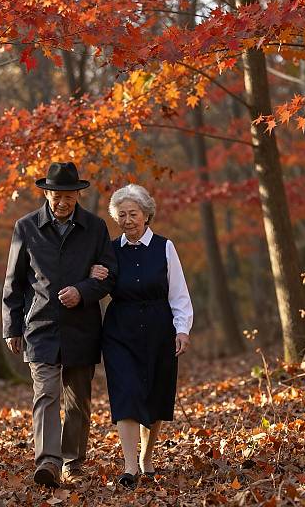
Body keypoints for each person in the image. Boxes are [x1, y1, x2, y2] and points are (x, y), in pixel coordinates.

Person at [2, 162, 117, 488]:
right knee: (46, 395)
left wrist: (82, 291)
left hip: (82, 327)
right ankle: (48, 463)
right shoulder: (26, 227)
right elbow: (13, 282)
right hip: (41, 326)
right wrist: (11, 327)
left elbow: (111, 276)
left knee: (77, 400)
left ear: (78, 194)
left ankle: (73, 463)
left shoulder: (95, 228)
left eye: (69, 195)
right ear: (46, 193)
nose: (63, 201)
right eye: (56, 194)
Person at [90, 184, 193, 488]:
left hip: (159, 328)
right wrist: (94, 275)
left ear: (147, 215)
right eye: (121, 215)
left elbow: (179, 293)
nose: (127, 220)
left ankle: (147, 457)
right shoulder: (110, 249)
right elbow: (101, 284)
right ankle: (129, 465)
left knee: (155, 395)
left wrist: (182, 329)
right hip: (120, 330)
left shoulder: (165, 247)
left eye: (133, 213)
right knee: (127, 394)